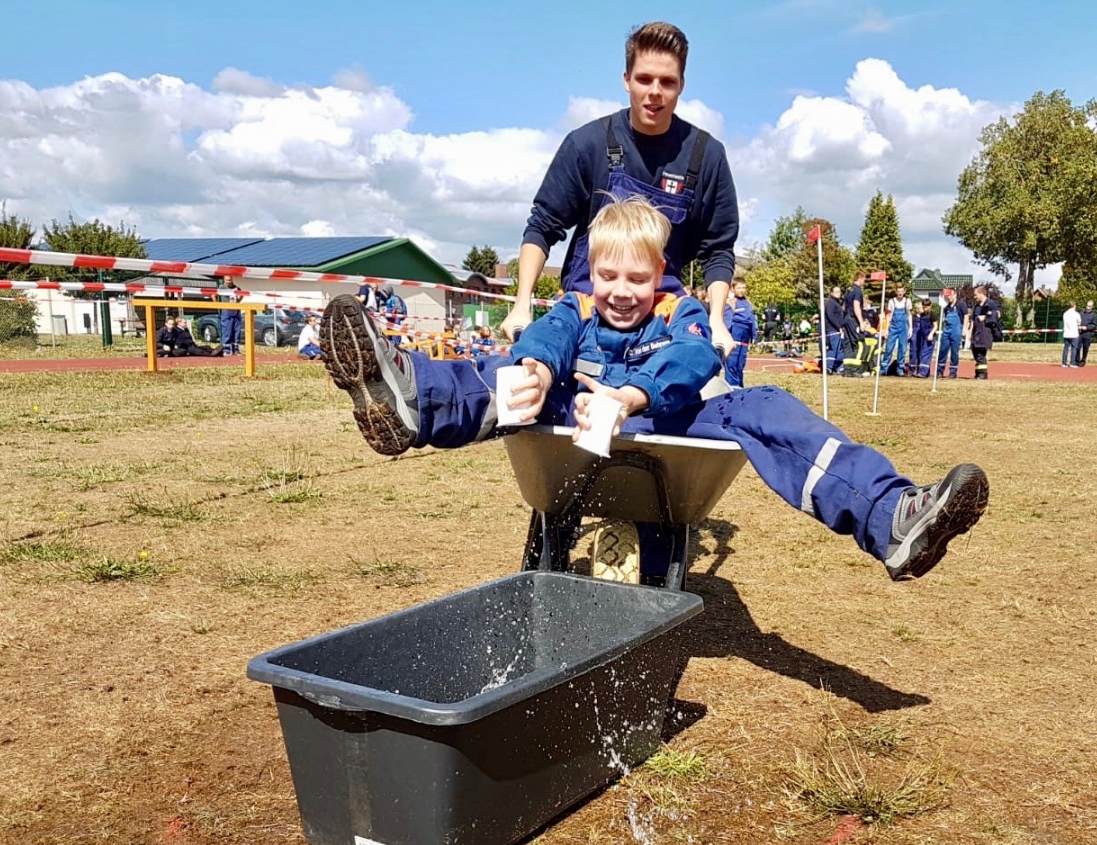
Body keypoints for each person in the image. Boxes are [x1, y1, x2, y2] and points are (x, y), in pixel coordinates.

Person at [316, 195, 987, 583]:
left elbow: (695, 356)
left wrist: (632, 394)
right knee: (508, 375)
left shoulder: (679, 312)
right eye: (608, 276)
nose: (621, 292)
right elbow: (549, 336)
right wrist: (542, 370)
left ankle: (890, 516)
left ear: (660, 274)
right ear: (589, 275)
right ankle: (410, 400)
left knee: (764, 407)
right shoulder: (574, 308)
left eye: (637, 279)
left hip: (669, 433)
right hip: (573, 426)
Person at [501, 22, 739, 357]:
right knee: (531, 369)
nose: (654, 91)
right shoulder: (587, 145)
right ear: (626, 80)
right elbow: (542, 225)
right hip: (586, 310)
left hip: (663, 316)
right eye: (644, 79)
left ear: (681, 85)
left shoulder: (706, 156)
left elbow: (718, 249)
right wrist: (522, 304)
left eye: (667, 82)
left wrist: (716, 319)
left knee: (706, 386)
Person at [724, 278, 757, 387]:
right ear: (733, 289)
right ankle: (731, 388)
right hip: (735, 333)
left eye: (743, 288)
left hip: (745, 336)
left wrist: (754, 336)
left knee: (740, 364)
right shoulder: (731, 302)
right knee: (732, 363)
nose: (741, 290)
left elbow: (752, 320)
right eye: (739, 288)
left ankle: (739, 387)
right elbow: (727, 320)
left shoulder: (748, 302)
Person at [935, 287, 967, 379]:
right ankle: (939, 371)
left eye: (950, 295)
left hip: (956, 329)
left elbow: (966, 316)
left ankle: (953, 372)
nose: (949, 297)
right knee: (942, 350)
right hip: (947, 329)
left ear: (955, 295)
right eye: (947, 296)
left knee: (954, 352)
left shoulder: (961, 304)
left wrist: (964, 329)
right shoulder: (946, 306)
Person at [968, 286, 999, 380]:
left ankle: (983, 374)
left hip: (985, 332)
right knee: (975, 352)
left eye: (975, 295)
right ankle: (978, 373)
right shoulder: (977, 306)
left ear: (981, 293)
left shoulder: (990, 304)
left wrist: (985, 317)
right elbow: (973, 320)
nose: (974, 297)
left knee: (981, 352)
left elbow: (997, 314)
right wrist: (970, 332)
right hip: (976, 333)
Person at [882, 285, 912, 375]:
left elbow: (909, 315)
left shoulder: (907, 301)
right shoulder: (892, 301)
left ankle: (900, 368)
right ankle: (884, 368)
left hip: (904, 327)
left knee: (902, 348)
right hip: (893, 327)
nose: (900, 293)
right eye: (898, 291)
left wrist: (911, 328)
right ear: (896, 292)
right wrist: (887, 329)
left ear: (904, 291)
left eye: (901, 291)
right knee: (889, 348)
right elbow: (889, 316)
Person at [822, 285, 847, 374]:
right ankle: (828, 367)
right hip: (833, 329)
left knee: (839, 349)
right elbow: (830, 316)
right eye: (836, 292)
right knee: (834, 348)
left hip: (839, 330)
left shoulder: (837, 303)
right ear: (831, 293)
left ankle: (837, 366)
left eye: (839, 291)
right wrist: (838, 326)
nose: (838, 293)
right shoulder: (830, 303)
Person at [911, 299, 936, 377]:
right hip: (923, 336)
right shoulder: (922, 314)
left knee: (926, 353)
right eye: (924, 307)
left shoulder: (932, 314)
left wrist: (931, 334)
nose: (925, 308)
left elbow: (936, 326)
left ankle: (923, 372)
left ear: (930, 306)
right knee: (922, 353)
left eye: (927, 307)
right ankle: (925, 372)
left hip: (929, 337)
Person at [1076, 301, 1097, 366]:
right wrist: (1078, 326)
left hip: (1087, 334)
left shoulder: (1094, 315)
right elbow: (1077, 321)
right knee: (1078, 347)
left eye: (1089, 306)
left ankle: (1083, 360)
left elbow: (1094, 325)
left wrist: (1087, 327)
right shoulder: (1081, 313)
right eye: (1087, 305)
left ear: (1092, 307)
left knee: (1085, 347)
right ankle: (1077, 360)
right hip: (1080, 333)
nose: (1088, 307)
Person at [1060, 301, 1080, 367]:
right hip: (1074, 333)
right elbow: (1079, 322)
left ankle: (1064, 363)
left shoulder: (1065, 313)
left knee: (1066, 348)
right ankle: (1072, 363)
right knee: (1074, 348)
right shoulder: (1076, 314)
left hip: (1066, 333)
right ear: (1075, 306)